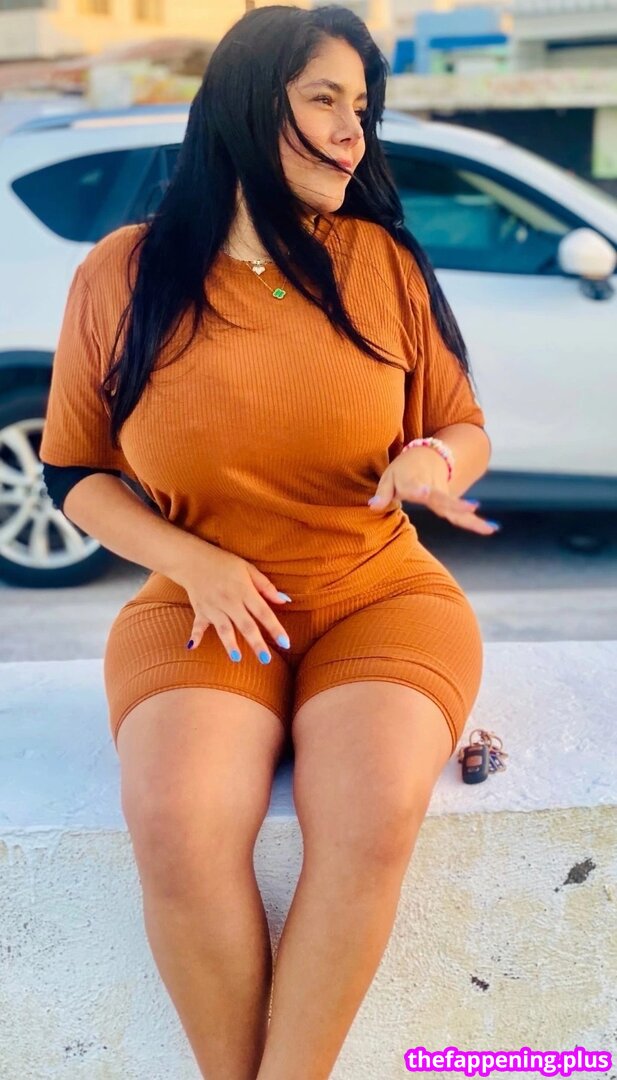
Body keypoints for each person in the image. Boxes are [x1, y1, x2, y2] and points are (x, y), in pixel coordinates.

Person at [39, 5, 500, 1078]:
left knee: (372, 812)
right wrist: (192, 562)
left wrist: (432, 460)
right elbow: (74, 471)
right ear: (250, 108)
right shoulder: (122, 272)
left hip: (378, 597)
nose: (352, 132)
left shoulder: (381, 261)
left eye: (361, 108)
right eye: (323, 101)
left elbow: (462, 425)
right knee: (175, 823)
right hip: (200, 608)